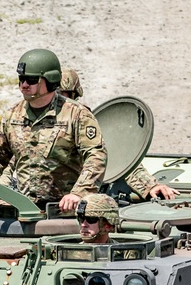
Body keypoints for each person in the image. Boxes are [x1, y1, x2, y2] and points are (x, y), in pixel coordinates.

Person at [0, 49, 106, 214]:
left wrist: (79, 192)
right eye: (21, 79)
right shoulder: (12, 116)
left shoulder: (76, 114)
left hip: (66, 214)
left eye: (31, 80)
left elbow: (96, 156)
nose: (24, 85)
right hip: (23, 211)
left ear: (50, 80)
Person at [58, 67, 177, 201]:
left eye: (61, 93)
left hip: (72, 204)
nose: (57, 99)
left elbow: (118, 160)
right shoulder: (31, 121)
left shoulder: (83, 122)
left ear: (73, 95)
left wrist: (150, 186)